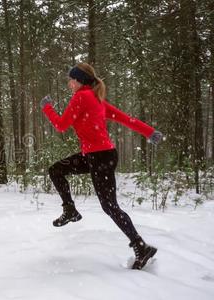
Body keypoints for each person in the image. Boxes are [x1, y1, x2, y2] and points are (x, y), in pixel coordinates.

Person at [40, 62, 162, 270]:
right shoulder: (96, 100)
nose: (69, 83)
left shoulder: (82, 97)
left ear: (79, 80)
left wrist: (47, 108)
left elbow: (61, 125)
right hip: (98, 155)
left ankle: (141, 247)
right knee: (56, 170)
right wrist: (149, 132)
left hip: (99, 157)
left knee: (110, 206)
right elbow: (126, 119)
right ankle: (70, 210)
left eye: (71, 79)